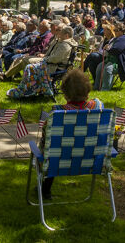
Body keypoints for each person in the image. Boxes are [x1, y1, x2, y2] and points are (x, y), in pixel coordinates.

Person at [38, 69, 103, 200]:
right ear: (88, 90)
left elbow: (46, 135)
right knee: (57, 149)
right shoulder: (98, 106)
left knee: (53, 149)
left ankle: (45, 190)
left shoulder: (57, 113)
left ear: (66, 93)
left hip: (58, 160)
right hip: (91, 158)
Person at [6, 25, 78, 99]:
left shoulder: (65, 45)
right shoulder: (62, 42)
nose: (59, 34)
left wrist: (45, 59)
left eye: (61, 33)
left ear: (66, 35)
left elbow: (56, 59)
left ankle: (29, 89)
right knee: (27, 63)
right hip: (51, 63)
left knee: (29, 65)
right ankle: (29, 88)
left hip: (55, 67)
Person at [88, 23, 125, 91]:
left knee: (108, 68)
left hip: (124, 62)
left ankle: (105, 89)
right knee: (99, 66)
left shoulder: (124, 38)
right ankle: (96, 87)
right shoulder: (116, 39)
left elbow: (116, 50)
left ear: (121, 31)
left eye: (116, 30)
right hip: (114, 60)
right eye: (114, 30)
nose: (115, 32)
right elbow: (111, 49)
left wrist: (108, 48)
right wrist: (108, 48)